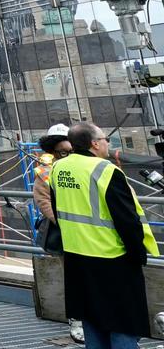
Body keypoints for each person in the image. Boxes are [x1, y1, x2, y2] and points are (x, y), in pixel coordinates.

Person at [50, 122, 158, 349]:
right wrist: (138, 253)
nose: (108, 142)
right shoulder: (106, 170)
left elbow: (57, 209)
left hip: (76, 257)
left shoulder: (59, 168)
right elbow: (126, 220)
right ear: (94, 143)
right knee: (122, 323)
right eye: (105, 138)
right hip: (112, 259)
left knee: (91, 320)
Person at [34, 123, 83, 343]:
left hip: (90, 233)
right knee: (74, 276)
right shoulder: (47, 171)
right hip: (68, 233)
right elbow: (43, 200)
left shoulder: (82, 164)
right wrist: (64, 222)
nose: (67, 154)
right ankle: (77, 319)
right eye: (63, 151)